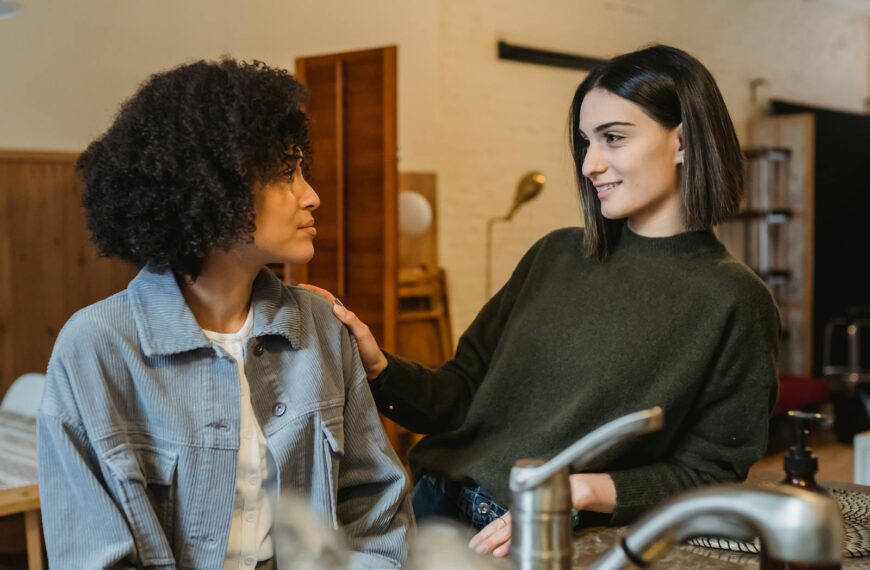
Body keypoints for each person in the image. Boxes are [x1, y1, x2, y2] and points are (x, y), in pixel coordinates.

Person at [301, 44, 780, 558]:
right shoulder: (554, 255)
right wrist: (379, 368)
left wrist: (583, 490)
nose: (591, 164)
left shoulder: (733, 299)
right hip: (429, 507)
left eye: (613, 138)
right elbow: (459, 396)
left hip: (539, 537)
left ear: (683, 141)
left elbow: (710, 473)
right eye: (585, 142)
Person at [37, 58, 413, 569]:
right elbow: (91, 553)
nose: (312, 195)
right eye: (286, 174)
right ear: (213, 189)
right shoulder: (97, 347)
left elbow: (376, 511)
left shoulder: (324, 327)